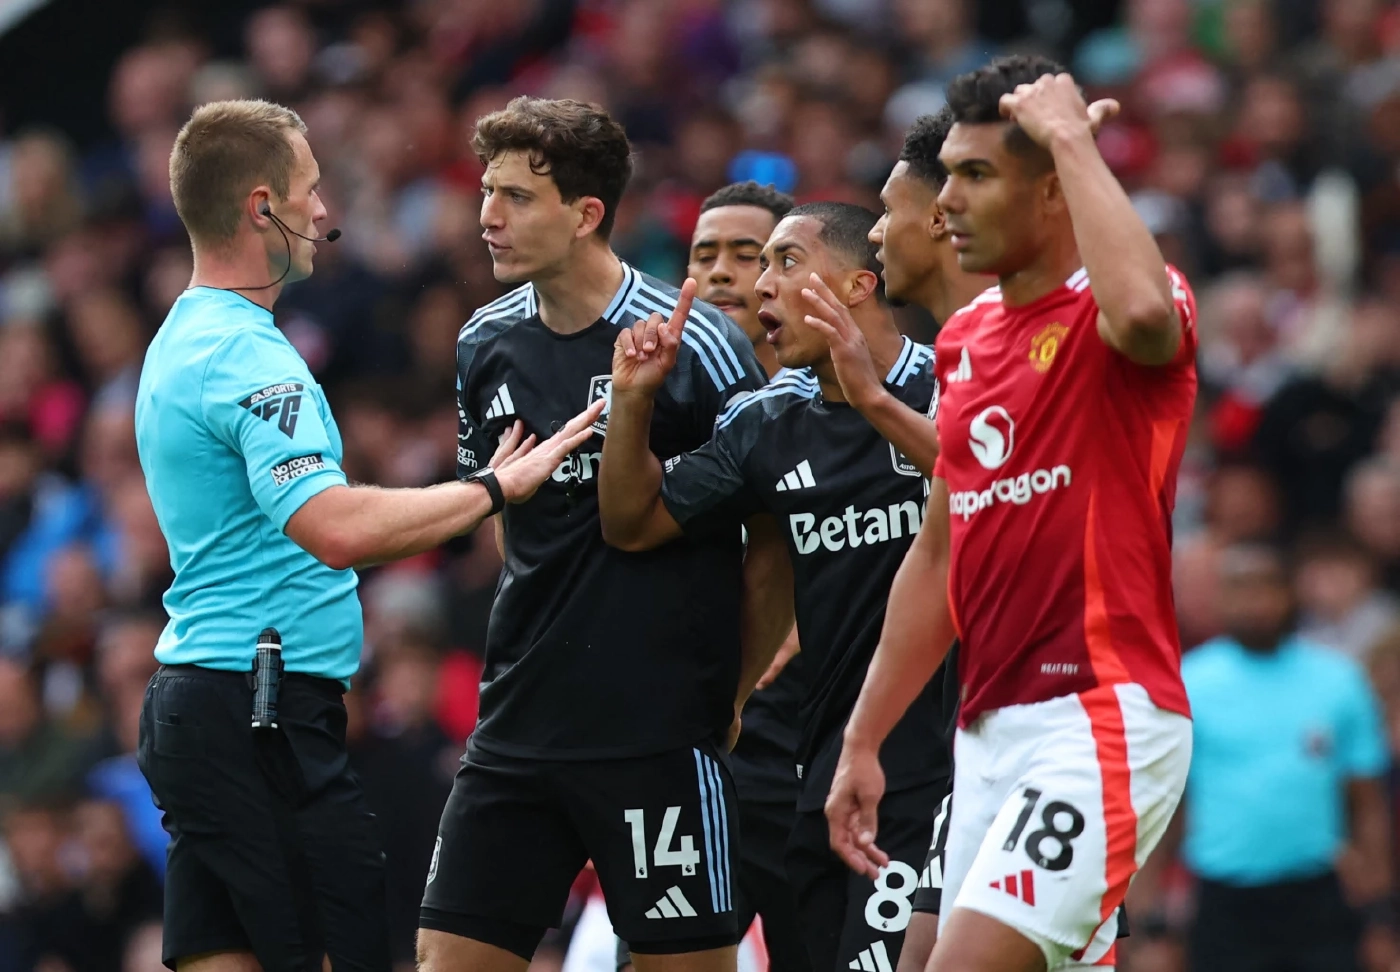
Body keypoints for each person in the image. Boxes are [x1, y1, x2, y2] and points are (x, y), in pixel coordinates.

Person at [135, 99, 600, 972]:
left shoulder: (179, 337)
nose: (324, 214)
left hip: (205, 705)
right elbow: (334, 528)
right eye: (311, 193)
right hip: (258, 714)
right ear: (261, 206)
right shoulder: (245, 355)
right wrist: (493, 488)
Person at [824, 55, 1199, 972]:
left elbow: (1147, 312)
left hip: (1097, 716)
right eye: (947, 172)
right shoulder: (968, 338)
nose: (945, 198)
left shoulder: (1125, 307)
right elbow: (941, 550)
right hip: (988, 734)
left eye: (977, 174)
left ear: (1052, 195)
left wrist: (1072, 136)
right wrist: (863, 739)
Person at [416, 98, 778, 972]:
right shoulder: (484, 343)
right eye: (486, 193)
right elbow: (511, 525)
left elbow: (769, 539)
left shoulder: (697, 346)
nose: (489, 218)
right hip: (517, 728)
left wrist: (733, 696)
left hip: (655, 733)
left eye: (515, 197)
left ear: (585, 215)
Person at [597, 201, 950, 972]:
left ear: (860, 285)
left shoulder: (947, 385)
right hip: (823, 770)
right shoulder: (767, 421)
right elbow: (633, 522)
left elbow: (1006, 490)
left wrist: (878, 403)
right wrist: (632, 400)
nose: (761, 286)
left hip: (942, 764)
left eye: (785, 262)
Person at [618, 180, 811, 972]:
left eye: (749, 254)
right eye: (705, 255)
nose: (724, 273)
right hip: (681, 734)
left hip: (797, 733)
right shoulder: (660, 410)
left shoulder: (838, 407)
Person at [1164, 544, 1390, 972]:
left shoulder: (1338, 679)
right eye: (1239, 588)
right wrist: (1154, 918)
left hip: (1318, 897)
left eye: (1266, 586)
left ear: (1290, 593)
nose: (1254, 602)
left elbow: (1367, 803)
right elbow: (1170, 806)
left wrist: (1381, 913)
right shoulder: (1188, 684)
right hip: (1224, 902)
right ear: (1220, 598)